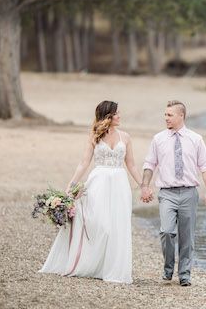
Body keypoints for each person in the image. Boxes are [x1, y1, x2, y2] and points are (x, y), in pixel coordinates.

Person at [39, 100, 145, 284]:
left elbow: (132, 164)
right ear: (108, 116)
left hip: (120, 184)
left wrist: (143, 185)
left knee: (116, 226)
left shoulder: (125, 137)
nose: (120, 116)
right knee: (99, 223)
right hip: (99, 181)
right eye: (116, 113)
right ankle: (88, 262)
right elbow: (84, 163)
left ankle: (109, 268)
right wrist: (71, 185)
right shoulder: (94, 135)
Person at [140, 100, 206, 287]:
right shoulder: (158, 139)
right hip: (167, 193)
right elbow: (149, 164)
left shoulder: (196, 139)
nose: (166, 118)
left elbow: (205, 166)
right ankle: (168, 268)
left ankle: (184, 275)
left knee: (186, 236)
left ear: (181, 116)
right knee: (166, 231)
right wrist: (145, 185)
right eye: (165, 115)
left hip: (189, 193)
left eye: (170, 115)